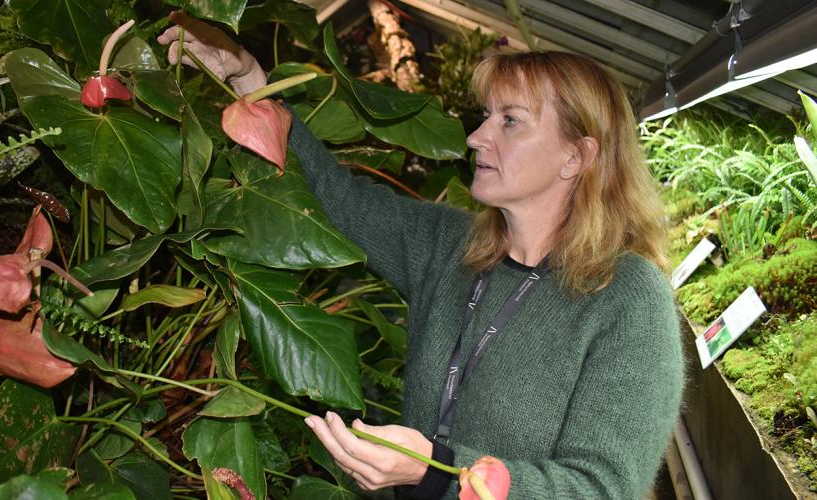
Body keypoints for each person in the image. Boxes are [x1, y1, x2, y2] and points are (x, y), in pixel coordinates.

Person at [159, 18, 684, 500]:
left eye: (510, 121)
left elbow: (604, 487)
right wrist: (252, 79)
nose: (477, 137)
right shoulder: (452, 247)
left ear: (577, 155)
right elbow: (339, 202)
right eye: (486, 117)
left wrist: (436, 472)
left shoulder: (625, 297)